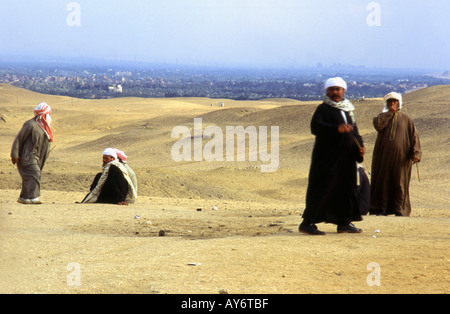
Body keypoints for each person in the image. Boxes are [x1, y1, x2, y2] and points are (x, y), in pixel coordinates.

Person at [299, 77, 366, 235]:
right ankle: (307, 223)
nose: (335, 92)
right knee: (322, 188)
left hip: (346, 158)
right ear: (327, 91)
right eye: (332, 89)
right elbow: (316, 127)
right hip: (327, 158)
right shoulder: (323, 109)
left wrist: (360, 147)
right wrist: (337, 129)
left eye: (338, 89)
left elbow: (354, 131)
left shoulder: (347, 110)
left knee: (347, 189)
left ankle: (344, 222)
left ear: (344, 91)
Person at [369, 92, 422, 216]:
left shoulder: (406, 119)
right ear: (387, 104)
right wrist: (389, 113)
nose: (392, 104)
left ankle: (399, 209)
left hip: (402, 158)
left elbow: (414, 136)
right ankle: (382, 209)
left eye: (395, 102)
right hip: (384, 157)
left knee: (400, 183)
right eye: (390, 102)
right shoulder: (381, 117)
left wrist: (416, 153)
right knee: (384, 182)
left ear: (399, 103)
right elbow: (378, 126)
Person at [11, 102, 54, 204]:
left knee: (29, 176)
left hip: (37, 157)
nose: (50, 116)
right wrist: (14, 154)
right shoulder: (30, 125)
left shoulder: (44, 127)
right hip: (28, 155)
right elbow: (19, 138)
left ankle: (24, 198)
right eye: (49, 114)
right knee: (35, 173)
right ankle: (33, 196)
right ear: (44, 115)